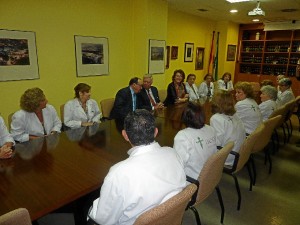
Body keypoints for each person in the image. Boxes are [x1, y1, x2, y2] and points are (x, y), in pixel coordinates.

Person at [88, 109, 186, 225]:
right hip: (172, 217)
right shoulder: (172, 153)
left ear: (125, 135)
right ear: (155, 132)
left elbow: (103, 219)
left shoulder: (118, 173)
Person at [173, 102, 217, 180]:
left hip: (194, 180)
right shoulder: (211, 129)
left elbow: (178, 165)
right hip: (212, 174)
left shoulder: (182, 136)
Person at [210, 91, 246, 166]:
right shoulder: (235, 114)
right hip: (239, 153)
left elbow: (216, 144)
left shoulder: (216, 118)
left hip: (228, 156)